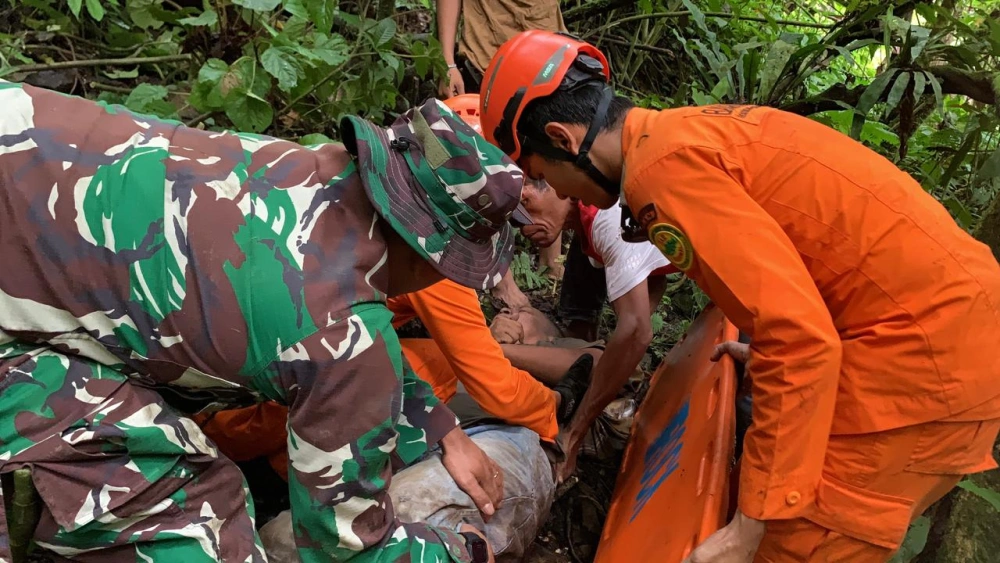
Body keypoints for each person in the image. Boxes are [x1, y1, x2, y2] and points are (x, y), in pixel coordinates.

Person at [477, 30, 1000, 563]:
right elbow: (808, 274)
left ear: (564, 139)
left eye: (545, 176)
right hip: (945, 329)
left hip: (922, 364)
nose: (563, 195)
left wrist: (752, 524)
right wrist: (775, 348)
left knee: (788, 547)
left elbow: (798, 338)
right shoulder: (678, 134)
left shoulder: (662, 176)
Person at [0, 78, 524, 563]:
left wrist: (441, 429)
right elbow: (343, 547)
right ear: (433, 257)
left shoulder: (290, 166)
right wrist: (460, 551)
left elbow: (335, 343)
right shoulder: (343, 332)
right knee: (201, 517)